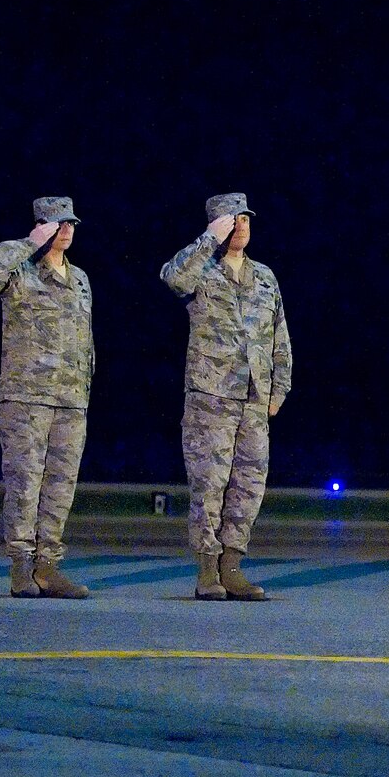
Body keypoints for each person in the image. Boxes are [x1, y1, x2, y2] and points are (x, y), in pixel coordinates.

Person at [161, 193, 292, 601]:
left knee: (249, 484)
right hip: (211, 397)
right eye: (231, 221)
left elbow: (279, 333)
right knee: (210, 484)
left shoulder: (265, 276)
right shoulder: (202, 271)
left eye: (245, 220)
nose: (241, 227)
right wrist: (206, 240)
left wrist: (280, 387)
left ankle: (232, 566)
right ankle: (207, 570)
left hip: (253, 398)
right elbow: (171, 277)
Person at [0, 196, 95, 598]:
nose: (67, 229)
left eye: (71, 223)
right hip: (26, 396)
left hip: (70, 399)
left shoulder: (80, 278)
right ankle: (21, 565)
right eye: (57, 223)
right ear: (41, 227)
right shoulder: (19, 273)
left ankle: (48, 566)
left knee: (61, 485)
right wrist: (29, 243)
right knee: (25, 482)